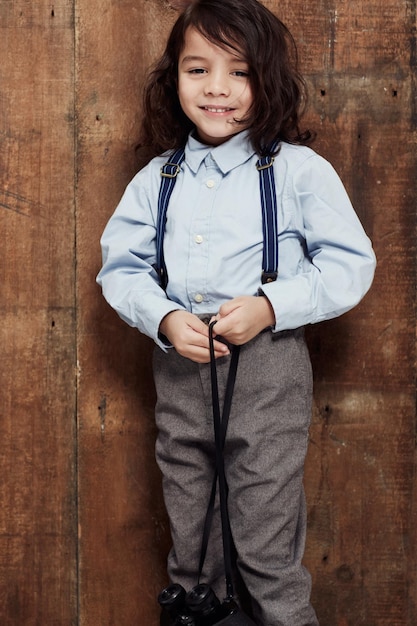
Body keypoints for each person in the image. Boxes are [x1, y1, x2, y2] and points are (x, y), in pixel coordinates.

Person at [97, 0, 376, 624]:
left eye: (239, 72)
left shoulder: (299, 172)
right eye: (198, 70)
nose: (217, 88)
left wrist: (273, 305)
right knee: (192, 545)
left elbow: (351, 264)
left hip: (267, 376)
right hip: (179, 378)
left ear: (266, 81)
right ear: (175, 80)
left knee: (264, 543)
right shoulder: (156, 179)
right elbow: (120, 268)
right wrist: (166, 320)